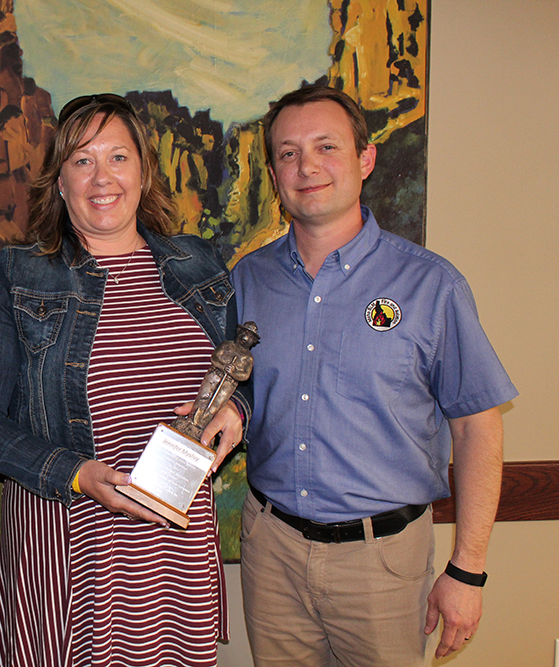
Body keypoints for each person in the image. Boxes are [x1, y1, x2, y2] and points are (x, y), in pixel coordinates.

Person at [0, 93, 250, 667]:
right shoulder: (17, 276)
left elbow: (243, 372)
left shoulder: (200, 266)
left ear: (143, 172)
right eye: (82, 160)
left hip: (177, 558)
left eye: (117, 157)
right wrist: (78, 473)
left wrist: (238, 412)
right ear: (59, 182)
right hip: (68, 553)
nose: (101, 177)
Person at [231, 85, 518, 666]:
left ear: (365, 160)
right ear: (273, 174)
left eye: (326, 147)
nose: (306, 166)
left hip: (383, 562)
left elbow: (477, 429)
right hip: (272, 552)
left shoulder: (432, 286)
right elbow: (238, 395)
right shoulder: (248, 280)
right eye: (287, 153)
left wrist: (469, 570)